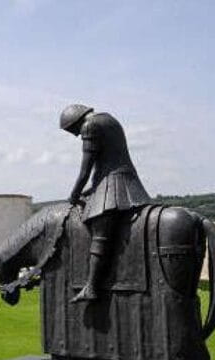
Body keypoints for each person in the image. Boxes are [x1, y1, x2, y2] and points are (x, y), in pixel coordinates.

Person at [60, 104, 151, 302]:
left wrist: (73, 196)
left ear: (76, 122)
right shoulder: (108, 118)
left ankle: (91, 286)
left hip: (115, 184)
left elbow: (86, 169)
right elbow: (106, 164)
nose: (76, 135)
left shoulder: (89, 125)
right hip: (122, 180)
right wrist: (91, 190)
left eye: (72, 131)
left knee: (99, 229)